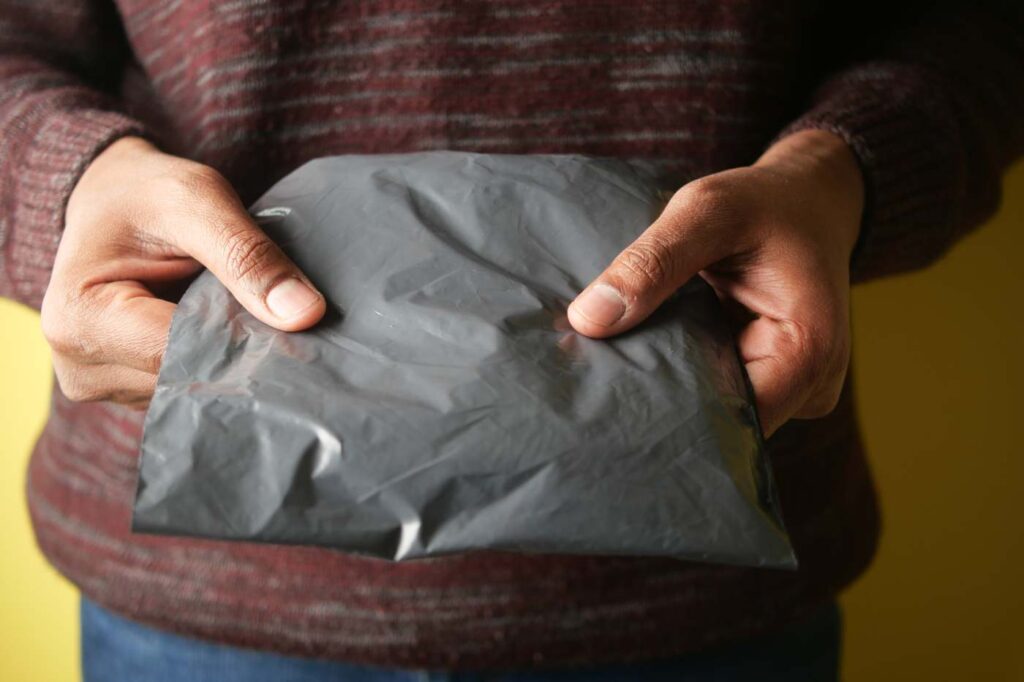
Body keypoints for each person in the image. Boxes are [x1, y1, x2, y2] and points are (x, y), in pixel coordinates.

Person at [1, 1, 1020, 680]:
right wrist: (67, 185)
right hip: (207, 604)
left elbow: (978, 26)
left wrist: (847, 170)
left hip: (703, 597)